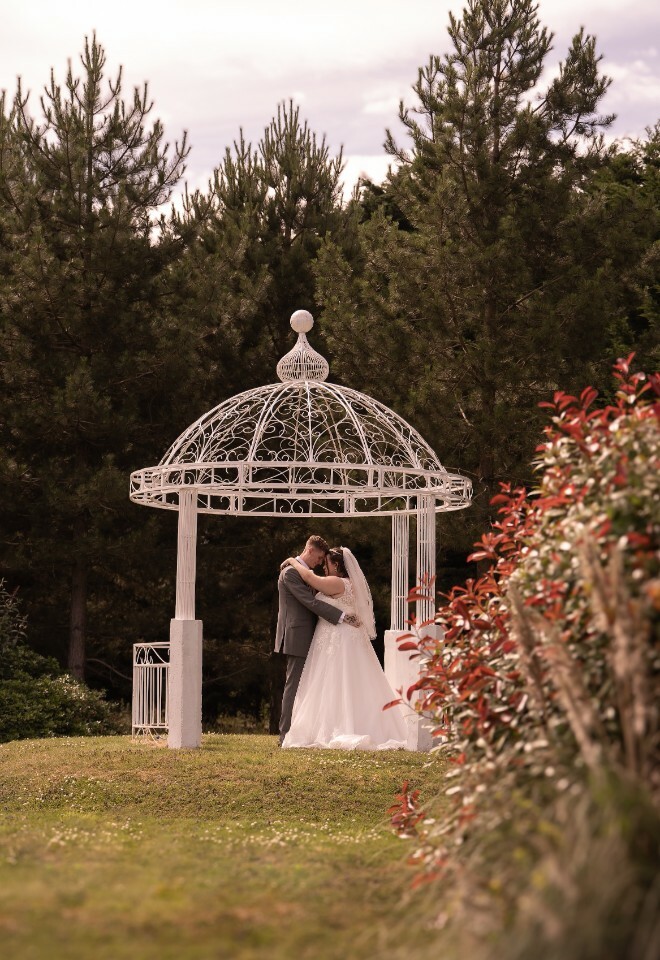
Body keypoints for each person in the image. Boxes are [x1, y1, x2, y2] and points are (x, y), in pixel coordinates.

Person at [281, 545, 408, 751]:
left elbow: (310, 579)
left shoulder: (336, 582)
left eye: (327, 562)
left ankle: (337, 726)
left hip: (338, 637)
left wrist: (294, 561)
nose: (324, 566)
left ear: (337, 564)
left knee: (336, 681)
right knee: (351, 682)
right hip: (344, 636)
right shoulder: (350, 584)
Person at [275, 535, 361, 746]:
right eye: (320, 557)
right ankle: (285, 734)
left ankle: (306, 729)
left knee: (309, 686)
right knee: (293, 685)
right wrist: (342, 616)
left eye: (325, 559)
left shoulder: (306, 573)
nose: (320, 562)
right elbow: (309, 602)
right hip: (296, 635)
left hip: (314, 636)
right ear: (310, 550)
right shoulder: (291, 573)